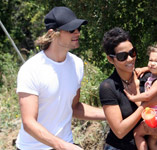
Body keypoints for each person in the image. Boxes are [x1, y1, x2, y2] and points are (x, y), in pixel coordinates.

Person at [16, 6, 105, 150]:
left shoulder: (77, 64)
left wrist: (111, 115)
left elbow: (74, 108)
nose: (77, 33)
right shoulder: (31, 69)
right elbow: (28, 122)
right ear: (53, 33)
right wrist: (63, 146)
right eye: (71, 29)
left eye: (78, 29)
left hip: (66, 143)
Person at [99, 27, 157, 150]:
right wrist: (146, 104)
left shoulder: (149, 78)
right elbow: (120, 131)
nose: (130, 59)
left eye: (132, 53)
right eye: (122, 56)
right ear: (110, 59)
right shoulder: (108, 87)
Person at [124, 41, 157, 150]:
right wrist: (145, 68)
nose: (152, 63)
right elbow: (154, 67)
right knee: (152, 143)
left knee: (137, 134)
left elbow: (148, 96)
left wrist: (133, 97)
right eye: (150, 60)